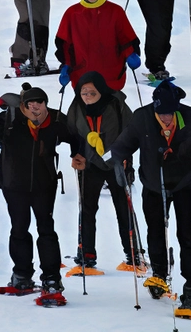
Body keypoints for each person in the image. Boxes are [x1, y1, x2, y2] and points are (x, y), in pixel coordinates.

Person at [106, 81, 191, 317]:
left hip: (185, 184)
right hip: (153, 185)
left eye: (169, 113)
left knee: (186, 234)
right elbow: (120, 147)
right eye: (161, 113)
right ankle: (159, 275)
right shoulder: (142, 119)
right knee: (155, 231)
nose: (165, 118)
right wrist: (121, 165)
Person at [0, 84, 81, 299]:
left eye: (39, 104)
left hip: (44, 185)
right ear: (22, 106)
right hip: (13, 185)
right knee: (19, 228)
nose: (35, 109)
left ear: (45, 105)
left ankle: (51, 279)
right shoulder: (7, 120)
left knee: (46, 229)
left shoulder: (57, 120)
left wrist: (77, 155)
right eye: (30, 105)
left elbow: (76, 138)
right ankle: (21, 275)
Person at [66, 71, 142, 274]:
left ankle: (133, 253)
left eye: (92, 92)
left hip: (116, 162)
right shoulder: (76, 108)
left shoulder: (116, 105)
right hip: (90, 164)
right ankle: (86, 254)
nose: (87, 96)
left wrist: (127, 159)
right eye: (84, 92)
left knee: (123, 208)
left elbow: (131, 133)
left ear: (101, 91)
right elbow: (72, 133)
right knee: (87, 209)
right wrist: (76, 154)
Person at [54, 0, 141, 92]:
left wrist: (130, 54)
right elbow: (65, 45)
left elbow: (125, 38)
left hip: (111, 77)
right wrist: (66, 65)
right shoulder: (72, 13)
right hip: (82, 77)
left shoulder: (115, 11)